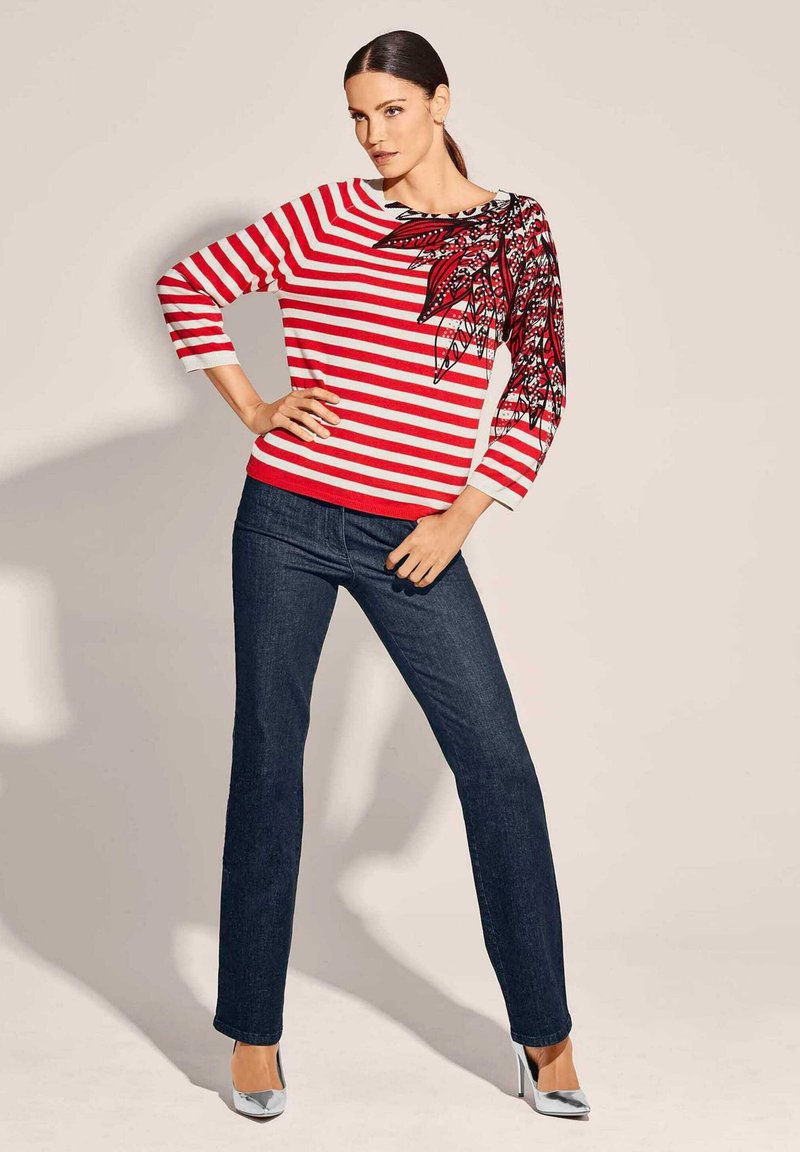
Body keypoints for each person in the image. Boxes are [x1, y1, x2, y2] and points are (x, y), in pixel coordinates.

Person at [155, 28, 590, 1121]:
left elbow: (539, 384)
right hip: (286, 520)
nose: (372, 134)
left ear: (439, 102)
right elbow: (190, 286)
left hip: (414, 534)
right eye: (357, 115)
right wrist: (256, 407)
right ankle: (252, 1034)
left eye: (391, 110)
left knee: (496, 766)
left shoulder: (511, 231)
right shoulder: (326, 212)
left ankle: (544, 1034)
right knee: (269, 757)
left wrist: (461, 514)